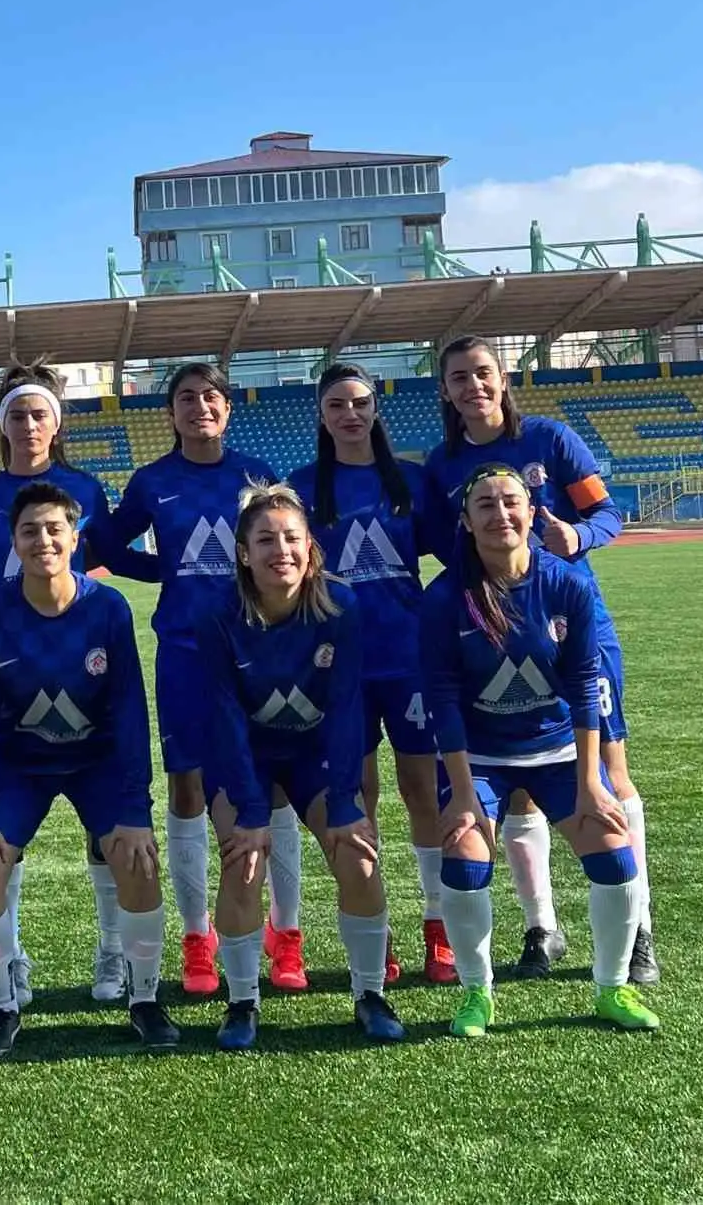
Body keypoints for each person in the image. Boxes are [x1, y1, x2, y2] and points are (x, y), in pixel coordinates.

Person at [0, 357, 156, 1006]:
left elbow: (115, 560)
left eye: (38, 412)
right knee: (0, 833)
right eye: (16, 414)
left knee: (104, 831)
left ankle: (112, 951)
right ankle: (10, 957)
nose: (27, 424)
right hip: (9, 667)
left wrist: (189, 575)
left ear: (56, 421)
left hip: (78, 660)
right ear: (2, 424)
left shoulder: (86, 489)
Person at [424, 335, 659, 985]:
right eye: (459, 377)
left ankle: (638, 928)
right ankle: (542, 926)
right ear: (444, 390)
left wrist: (579, 536)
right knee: (516, 779)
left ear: (503, 379)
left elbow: (607, 513)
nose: (474, 385)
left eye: (484, 373)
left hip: (570, 627)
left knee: (609, 770)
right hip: (486, 633)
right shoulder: (441, 466)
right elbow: (427, 543)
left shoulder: (551, 440)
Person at [88, 362, 304, 997]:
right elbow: (107, 542)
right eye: (186, 398)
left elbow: (290, 543)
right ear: (171, 413)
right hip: (184, 650)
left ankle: (284, 932)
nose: (199, 407)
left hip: (260, 647)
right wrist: (166, 572)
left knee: (274, 787)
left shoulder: (257, 472)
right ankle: (197, 936)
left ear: (227, 408)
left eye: (210, 397)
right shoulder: (154, 480)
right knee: (185, 788)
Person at [0, 482, 178, 1056]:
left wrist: (134, 809)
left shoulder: (107, 607)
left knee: (137, 859)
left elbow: (129, 709)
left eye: (54, 529)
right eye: (29, 531)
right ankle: (2, 1007)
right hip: (20, 767)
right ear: (12, 543)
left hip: (95, 761)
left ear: (75, 538)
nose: (43, 540)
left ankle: (144, 999)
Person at [197, 482, 405, 1049]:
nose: (280, 550)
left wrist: (343, 801)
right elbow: (224, 717)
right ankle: (242, 1003)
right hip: (245, 759)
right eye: (265, 540)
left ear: (310, 545)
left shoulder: (339, 607)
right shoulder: (217, 614)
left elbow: (344, 709)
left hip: (315, 756)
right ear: (243, 552)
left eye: (291, 537)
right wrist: (250, 808)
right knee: (243, 863)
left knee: (358, 856)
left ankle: (369, 993)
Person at [286, 363, 455, 986]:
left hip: (408, 658)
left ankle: (439, 927)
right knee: (356, 796)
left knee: (422, 789)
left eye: (359, 402)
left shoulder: (409, 481)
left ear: (375, 410)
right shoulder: (302, 488)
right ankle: (376, 930)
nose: (349, 414)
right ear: (322, 417)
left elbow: (457, 557)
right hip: (338, 666)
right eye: (336, 405)